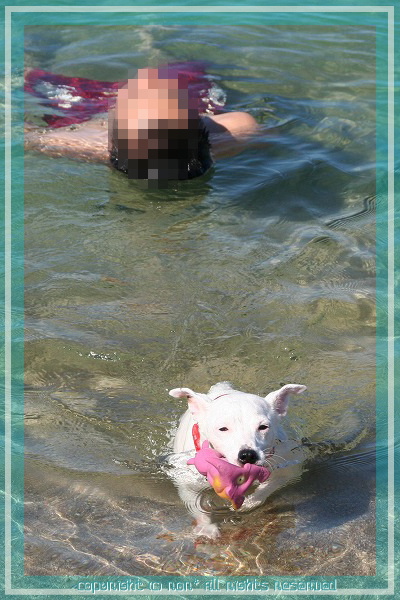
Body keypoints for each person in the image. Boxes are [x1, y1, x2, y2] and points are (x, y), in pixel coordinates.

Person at [24, 63, 259, 185]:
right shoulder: (236, 131)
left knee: (31, 77)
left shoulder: (78, 143)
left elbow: (27, 137)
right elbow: (243, 124)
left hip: (86, 110)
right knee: (187, 68)